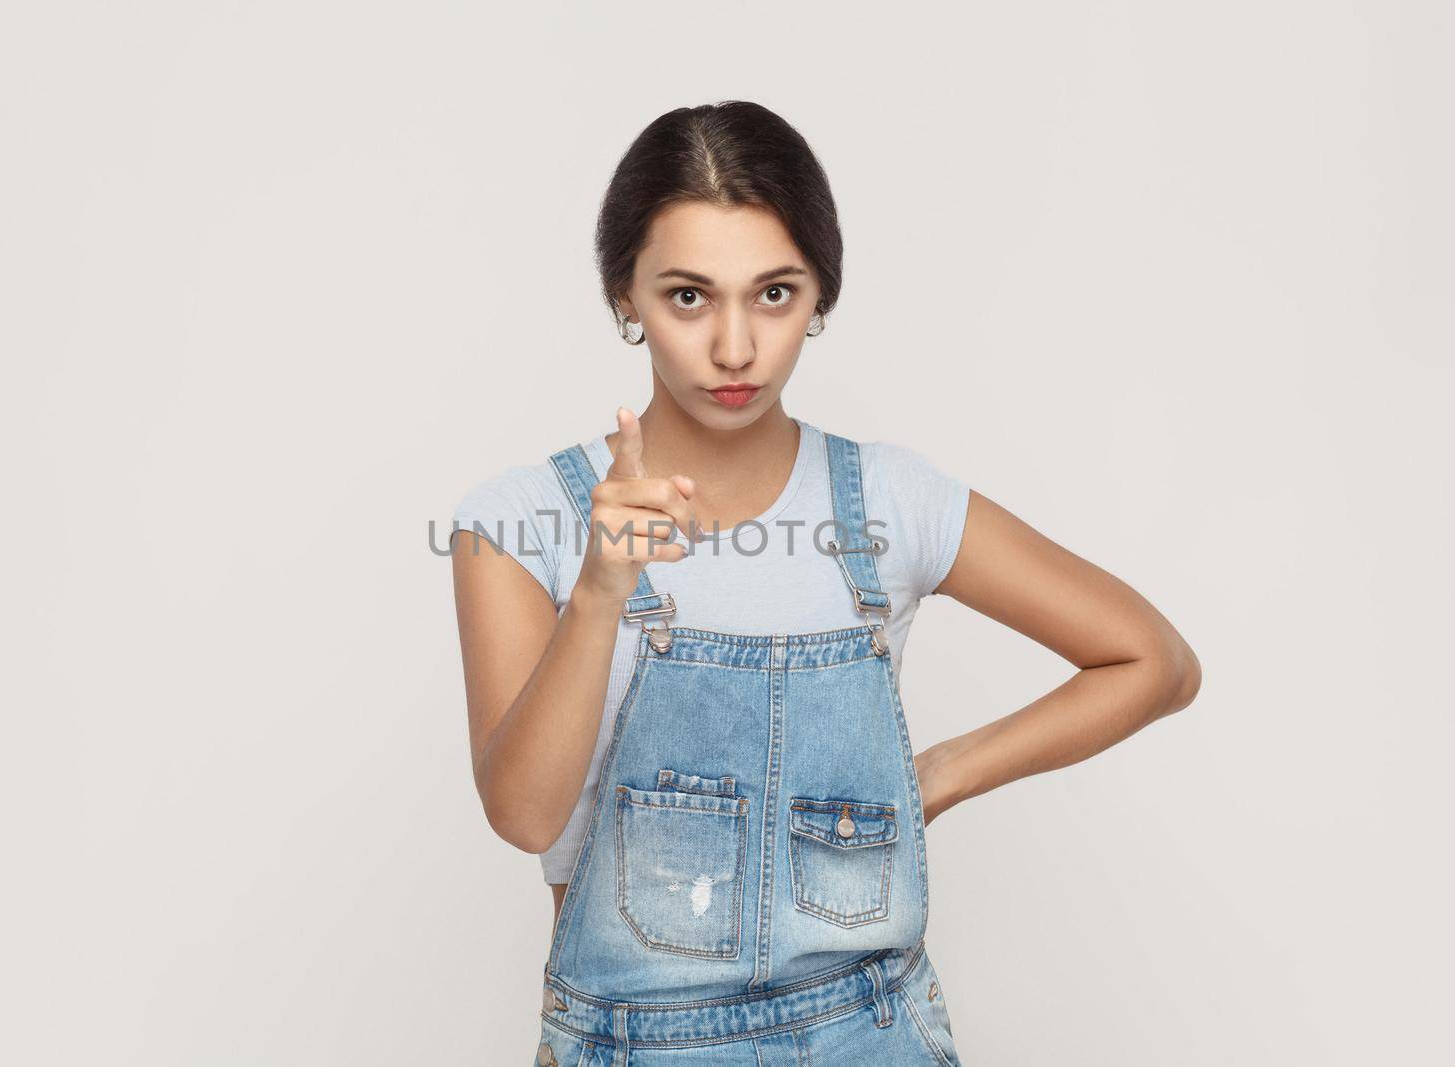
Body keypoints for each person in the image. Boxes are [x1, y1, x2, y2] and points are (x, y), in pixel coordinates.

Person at [447, 100, 1200, 1066]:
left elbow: (1157, 661)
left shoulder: (889, 501)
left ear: (820, 296)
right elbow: (523, 816)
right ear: (623, 296)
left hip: (873, 1033)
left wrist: (937, 774)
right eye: (687, 296)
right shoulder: (517, 517)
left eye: (774, 294)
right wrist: (598, 594)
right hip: (629, 1046)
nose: (733, 348)